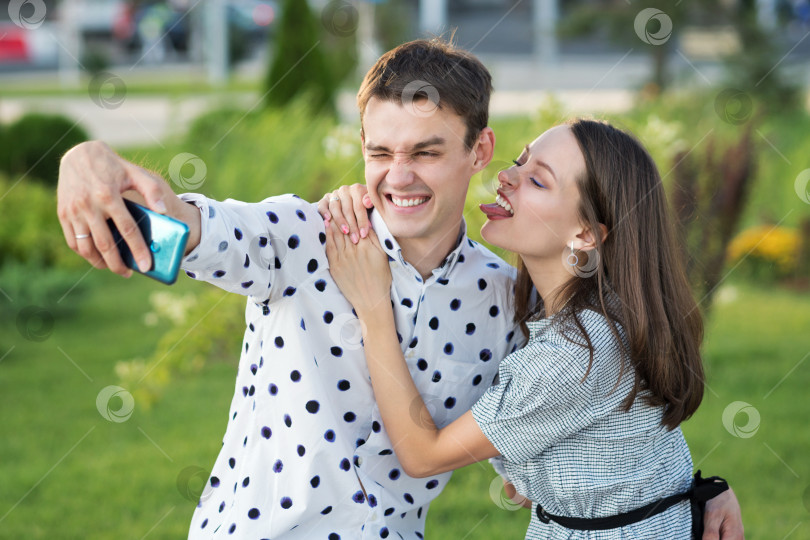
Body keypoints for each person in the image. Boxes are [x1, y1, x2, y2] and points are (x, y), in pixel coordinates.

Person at [56, 39, 743, 539]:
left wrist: (695, 494)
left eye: (425, 151)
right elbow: (196, 225)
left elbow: (593, 410)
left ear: (478, 152)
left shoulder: (508, 300)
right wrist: (88, 159)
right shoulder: (304, 236)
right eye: (380, 152)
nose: (398, 177)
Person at [323, 119, 742, 538]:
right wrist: (704, 492)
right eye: (520, 160)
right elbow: (632, 444)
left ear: (585, 234)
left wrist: (373, 307)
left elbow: (422, 456)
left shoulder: (576, 351)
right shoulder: (609, 308)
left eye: (537, 181)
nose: (506, 176)